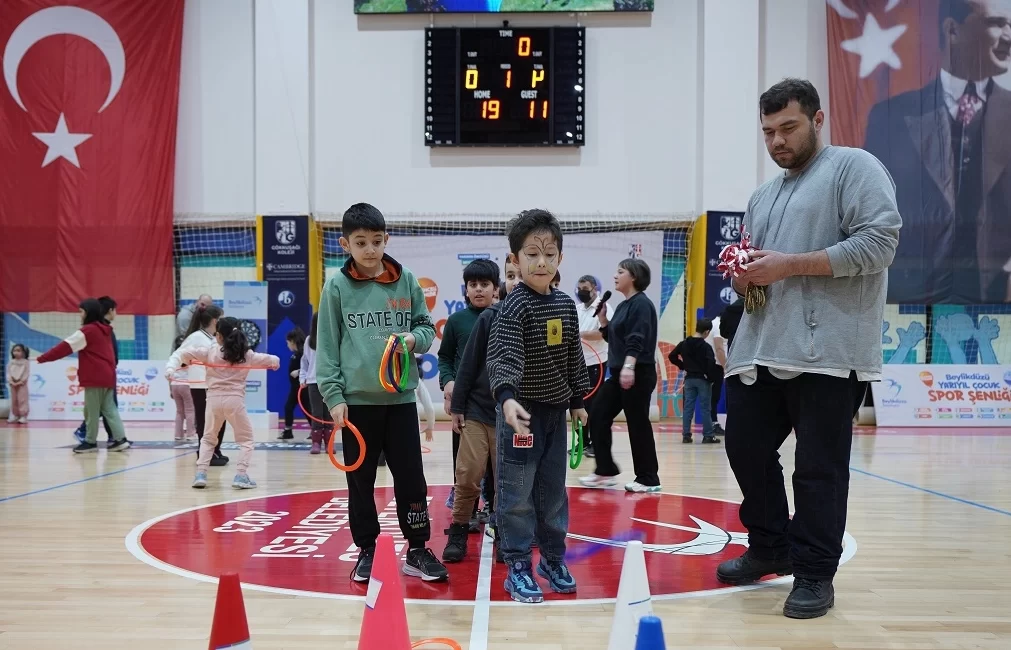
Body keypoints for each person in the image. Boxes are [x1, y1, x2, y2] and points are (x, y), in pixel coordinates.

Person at [717, 79, 900, 619]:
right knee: (745, 448)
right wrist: (746, 278)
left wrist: (787, 264)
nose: (777, 140)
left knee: (819, 470)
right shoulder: (762, 194)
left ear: (818, 120)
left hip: (831, 352)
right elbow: (762, 273)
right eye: (768, 132)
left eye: (788, 128)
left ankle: (815, 572)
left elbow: (879, 244)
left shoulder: (855, 168)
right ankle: (769, 546)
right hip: (762, 348)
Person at [316, 202, 447, 583]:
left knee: (411, 479)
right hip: (356, 405)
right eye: (361, 242)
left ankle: (418, 549)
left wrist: (413, 338)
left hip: (401, 402)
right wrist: (334, 396)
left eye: (377, 241)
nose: (371, 249)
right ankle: (368, 549)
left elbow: (425, 328)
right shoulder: (336, 287)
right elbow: (327, 346)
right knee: (360, 483)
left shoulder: (406, 280)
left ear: (386, 239)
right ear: (345, 244)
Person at [863, 0, 1011, 303]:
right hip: (907, 298)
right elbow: (869, 211)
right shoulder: (889, 117)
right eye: (996, 23)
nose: (1008, 34)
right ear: (953, 29)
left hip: (995, 299)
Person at [487, 209, 590, 604]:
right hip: (520, 417)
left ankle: (551, 558)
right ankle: (516, 564)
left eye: (549, 254)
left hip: (554, 416)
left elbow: (572, 358)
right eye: (532, 254)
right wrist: (507, 397)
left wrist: (578, 400)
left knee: (553, 492)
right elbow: (503, 356)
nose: (541, 261)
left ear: (560, 258)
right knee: (516, 494)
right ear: (514, 260)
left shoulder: (564, 305)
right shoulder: (514, 306)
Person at [579, 259, 661, 493]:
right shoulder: (625, 305)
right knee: (597, 414)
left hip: (636, 372)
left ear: (633, 276)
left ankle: (648, 478)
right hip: (619, 372)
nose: (615, 276)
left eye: (620, 271)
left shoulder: (641, 305)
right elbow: (614, 339)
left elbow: (637, 338)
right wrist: (604, 320)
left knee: (638, 424)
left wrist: (629, 366)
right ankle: (605, 470)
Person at [442, 257, 504, 563]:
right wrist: (452, 393)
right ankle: (458, 529)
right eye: (473, 284)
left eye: (485, 284)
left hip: (506, 413)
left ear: (496, 288)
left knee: (504, 479)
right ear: (466, 289)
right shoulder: (457, 322)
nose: (478, 289)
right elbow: (455, 364)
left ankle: (504, 530)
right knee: (467, 475)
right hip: (473, 411)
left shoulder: (507, 317)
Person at [177, 316, 280, 489]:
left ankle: (201, 474)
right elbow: (272, 360)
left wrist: (184, 362)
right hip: (234, 402)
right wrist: (274, 364)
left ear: (218, 336)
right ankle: (241, 475)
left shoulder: (210, 351)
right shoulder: (246, 354)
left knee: (208, 439)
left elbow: (186, 354)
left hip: (213, 401)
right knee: (246, 440)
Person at [37, 298, 130, 453]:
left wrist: (41, 359)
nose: (79, 315)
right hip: (108, 375)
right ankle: (121, 439)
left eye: (81, 311)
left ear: (89, 312)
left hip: (95, 376)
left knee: (91, 410)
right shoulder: (104, 330)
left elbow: (64, 348)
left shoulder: (87, 331)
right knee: (110, 409)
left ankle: (90, 442)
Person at [168, 304, 229, 466]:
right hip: (200, 385)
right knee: (205, 420)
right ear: (215, 320)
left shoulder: (217, 338)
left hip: (215, 384)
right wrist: (172, 368)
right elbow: (180, 355)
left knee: (219, 420)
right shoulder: (195, 337)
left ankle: (215, 450)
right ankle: (205, 453)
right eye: (222, 318)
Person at [574, 274, 613, 457]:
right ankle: (582, 442)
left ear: (594, 289)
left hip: (595, 363)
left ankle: (595, 445)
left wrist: (580, 334)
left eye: (585, 289)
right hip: (577, 363)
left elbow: (602, 333)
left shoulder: (604, 308)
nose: (582, 293)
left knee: (592, 405)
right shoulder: (577, 308)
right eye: (579, 289)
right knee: (576, 404)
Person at [73, 296, 120, 445]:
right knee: (104, 406)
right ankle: (88, 435)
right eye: (115, 310)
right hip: (102, 376)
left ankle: (114, 437)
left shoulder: (100, 328)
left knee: (105, 406)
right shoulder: (101, 330)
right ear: (110, 310)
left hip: (105, 374)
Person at [669, 318, 720, 444]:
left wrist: (682, 366)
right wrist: (711, 378)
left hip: (689, 380)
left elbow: (671, 356)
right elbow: (710, 363)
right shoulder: (706, 347)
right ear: (707, 332)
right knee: (705, 408)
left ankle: (686, 435)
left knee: (688, 408)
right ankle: (708, 435)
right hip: (703, 380)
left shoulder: (684, 343)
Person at [300, 313, 332, 455]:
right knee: (317, 414)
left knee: (329, 414)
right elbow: (304, 362)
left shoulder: (333, 338)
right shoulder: (309, 341)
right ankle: (316, 443)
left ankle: (329, 444)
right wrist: (302, 379)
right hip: (313, 382)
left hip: (330, 382)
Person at [278, 327, 306, 442]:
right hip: (295, 387)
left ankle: (317, 431)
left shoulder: (303, 353)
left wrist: (299, 372)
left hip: (303, 387)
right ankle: (288, 431)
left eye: (288, 343)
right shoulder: (295, 354)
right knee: (288, 407)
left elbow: (310, 368)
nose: (287, 345)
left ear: (293, 342)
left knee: (308, 409)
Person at [169, 334, 197, 444]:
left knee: (179, 411)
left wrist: (170, 389)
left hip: (174, 385)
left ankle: (178, 435)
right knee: (190, 410)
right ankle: (190, 434)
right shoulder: (188, 356)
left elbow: (169, 374)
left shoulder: (173, 358)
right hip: (186, 384)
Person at [6, 343, 30, 424]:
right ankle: (15, 415)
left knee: (22, 399)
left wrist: (21, 381)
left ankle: (23, 416)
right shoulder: (11, 362)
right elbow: (8, 373)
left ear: (23, 352)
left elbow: (26, 373)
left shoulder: (25, 362)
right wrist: (11, 381)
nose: (16, 352)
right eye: (14, 350)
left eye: (18, 350)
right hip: (13, 384)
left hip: (21, 384)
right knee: (14, 400)